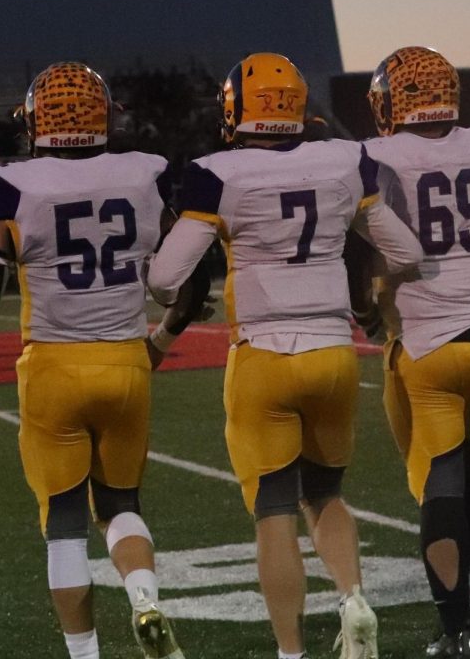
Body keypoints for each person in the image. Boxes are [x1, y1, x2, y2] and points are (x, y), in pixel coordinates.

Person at [148, 52, 424, 659]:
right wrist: (368, 281)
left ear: (235, 110)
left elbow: (167, 278)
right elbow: (405, 255)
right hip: (332, 352)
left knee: (274, 510)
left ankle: (291, 652)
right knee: (326, 494)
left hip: (264, 356)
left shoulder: (218, 172)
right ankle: (353, 600)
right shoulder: (345, 160)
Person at [0, 61, 208, 659]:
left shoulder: (11, 185)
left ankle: (85, 654)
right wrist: (161, 341)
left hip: (54, 368)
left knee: (63, 523)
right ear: (103, 118)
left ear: (36, 122)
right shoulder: (149, 172)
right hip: (125, 363)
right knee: (120, 505)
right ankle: (144, 599)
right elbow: (195, 271)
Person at [351, 47, 470, 658]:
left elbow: (352, 243)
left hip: (432, 342)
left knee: (443, 485)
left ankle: (454, 627)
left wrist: (365, 309)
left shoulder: (374, 156)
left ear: (388, 103)